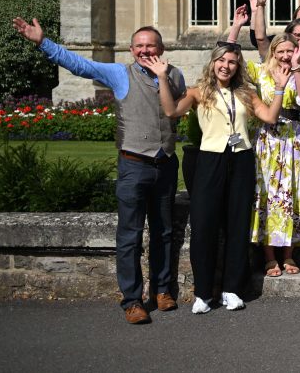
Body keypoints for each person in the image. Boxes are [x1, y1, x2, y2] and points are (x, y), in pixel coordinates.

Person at [12, 18, 187, 324]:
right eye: (140, 46)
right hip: (134, 165)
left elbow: (174, 114)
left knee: (164, 231)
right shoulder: (120, 73)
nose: (145, 50)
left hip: (166, 163)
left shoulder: (176, 75)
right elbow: (80, 65)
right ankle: (132, 300)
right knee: (130, 235)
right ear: (131, 50)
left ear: (161, 48)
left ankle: (162, 290)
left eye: (151, 45)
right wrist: (42, 42)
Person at [142, 45, 288, 314]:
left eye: (232, 61)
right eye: (221, 60)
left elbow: (269, 116)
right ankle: (203, 293)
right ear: (213, 63)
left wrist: (279, 88)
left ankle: (232, 290)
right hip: (209, 160)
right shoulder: (198, 92)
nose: (226, 66)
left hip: (241, 159)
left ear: (237, 66)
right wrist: (162, 77)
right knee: (203, 226)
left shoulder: (246, 93)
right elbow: (171, 111)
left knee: (238, 225)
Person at [249, 34, 300, 277]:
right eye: (280, 51)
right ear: (272, 52)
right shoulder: (260, 71)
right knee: (269, 196)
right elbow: (231, 59)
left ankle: (289, 254)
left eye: (289, 51)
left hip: (293, 138)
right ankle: (270, 257)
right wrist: (237, 26)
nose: (284, 55)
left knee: (293, 193)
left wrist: (296, 67)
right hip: (268, 138)